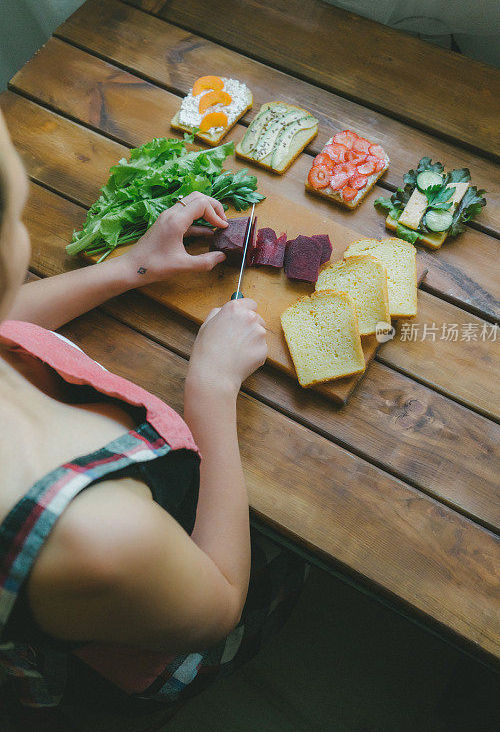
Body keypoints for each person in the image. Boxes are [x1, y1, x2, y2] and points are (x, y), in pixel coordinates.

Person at [0, 110, 307, 715]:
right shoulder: (97, 538)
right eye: (14, 210)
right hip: (143, 626)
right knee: (286, 570)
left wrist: (127, 269)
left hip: (100, 589)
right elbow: (216, 606)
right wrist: (211, 389)